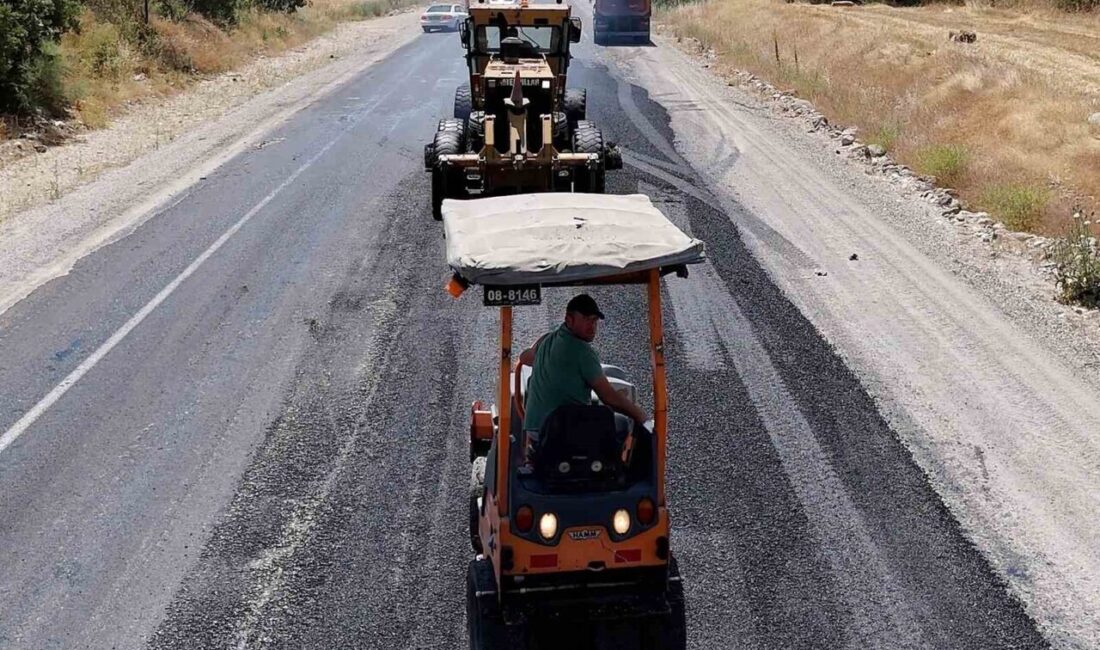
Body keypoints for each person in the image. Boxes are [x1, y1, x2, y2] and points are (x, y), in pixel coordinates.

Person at [517, 294, 647, 473]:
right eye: (586, 319)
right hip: (561, 433)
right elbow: (609, 397)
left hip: (535, 431)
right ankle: (611, 473)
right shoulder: (582, 352)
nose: (592, 326)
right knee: (621, 424)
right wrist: (641, 417)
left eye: (594, 320)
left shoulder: (547, 342)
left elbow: (524, 357)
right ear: (569, 319)